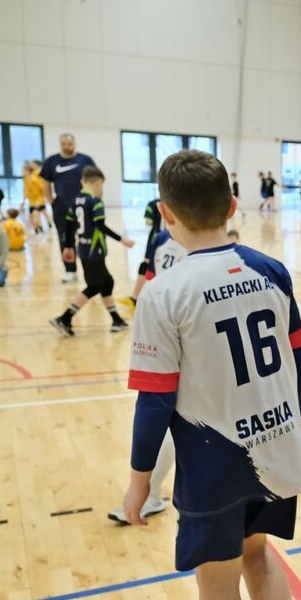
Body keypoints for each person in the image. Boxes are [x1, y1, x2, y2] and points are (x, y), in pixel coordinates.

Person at [120, 150, 301, 600]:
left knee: (217, 578)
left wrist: (138, 485)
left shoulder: (164, 292)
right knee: (259, 552)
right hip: (276, 449)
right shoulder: (270, 270)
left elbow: (155, 401)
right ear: (234, 206)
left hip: (215, 465)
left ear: (165, 215)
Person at [109, 224, 238, 524]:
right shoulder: (179, 243)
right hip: (177, 329)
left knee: (173, 416)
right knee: (171, 416)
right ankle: (152, 492)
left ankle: (153, 492)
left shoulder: (175, 242)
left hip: (186, 331)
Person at [48, 167, 135, 335]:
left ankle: (116, 320)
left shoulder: (75, 201)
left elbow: (67, 227)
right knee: (96, 285)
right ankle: (65, 318)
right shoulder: (95, 202)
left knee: (106, 283)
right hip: (95, 251)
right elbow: (100, 226)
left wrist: (67, 246)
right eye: (102, 185)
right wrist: (122, 240)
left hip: (83, 250)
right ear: (97, 183)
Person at [40, 133, 97, 283]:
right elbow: (45, 183)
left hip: (84, 207)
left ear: (75, 143)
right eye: (64, 144)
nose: (67, 146)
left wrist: (96, 200)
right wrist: (51, 201)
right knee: (65, 240)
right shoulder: (52, 161)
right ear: (60, 144)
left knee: (87, 239)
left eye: (69, 144)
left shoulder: (85, 160)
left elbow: (96, 180)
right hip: (62, 208)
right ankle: (70, 270)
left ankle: (90, 270)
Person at [123, 197, 164, 312]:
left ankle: (135, 297)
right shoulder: (176, 200)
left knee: (146, 265)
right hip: (172, 238)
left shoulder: (153, 203)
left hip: (156, 238)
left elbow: (148, 222)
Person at [23, 161, 49, 233]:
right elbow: (26, 191)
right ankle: (38, 232)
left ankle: (42, 232)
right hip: (31, 201)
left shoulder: (35, 178)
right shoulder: (26, 179)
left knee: (36, 218)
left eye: (23, 170)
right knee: (31, 219)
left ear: (27, 170)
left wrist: (45, 198)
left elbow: (42, 188)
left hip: (38, 200)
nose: (22, 172)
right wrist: (23, 201)